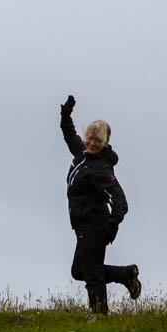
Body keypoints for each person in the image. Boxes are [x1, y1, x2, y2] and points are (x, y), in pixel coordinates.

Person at [60, 94, 140, 316]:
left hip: (95, 226)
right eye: (90, 138)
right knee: (79, 271)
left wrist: (111, 227)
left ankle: (99, 315)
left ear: (105, 143)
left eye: (98, 141)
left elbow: (121, 202)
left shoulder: (101, 169)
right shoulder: (83, 155)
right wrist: (65, 114)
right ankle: (125, 275)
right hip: (82, 225)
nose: (92, 143)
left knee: (92, 273)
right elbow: (69, 135)